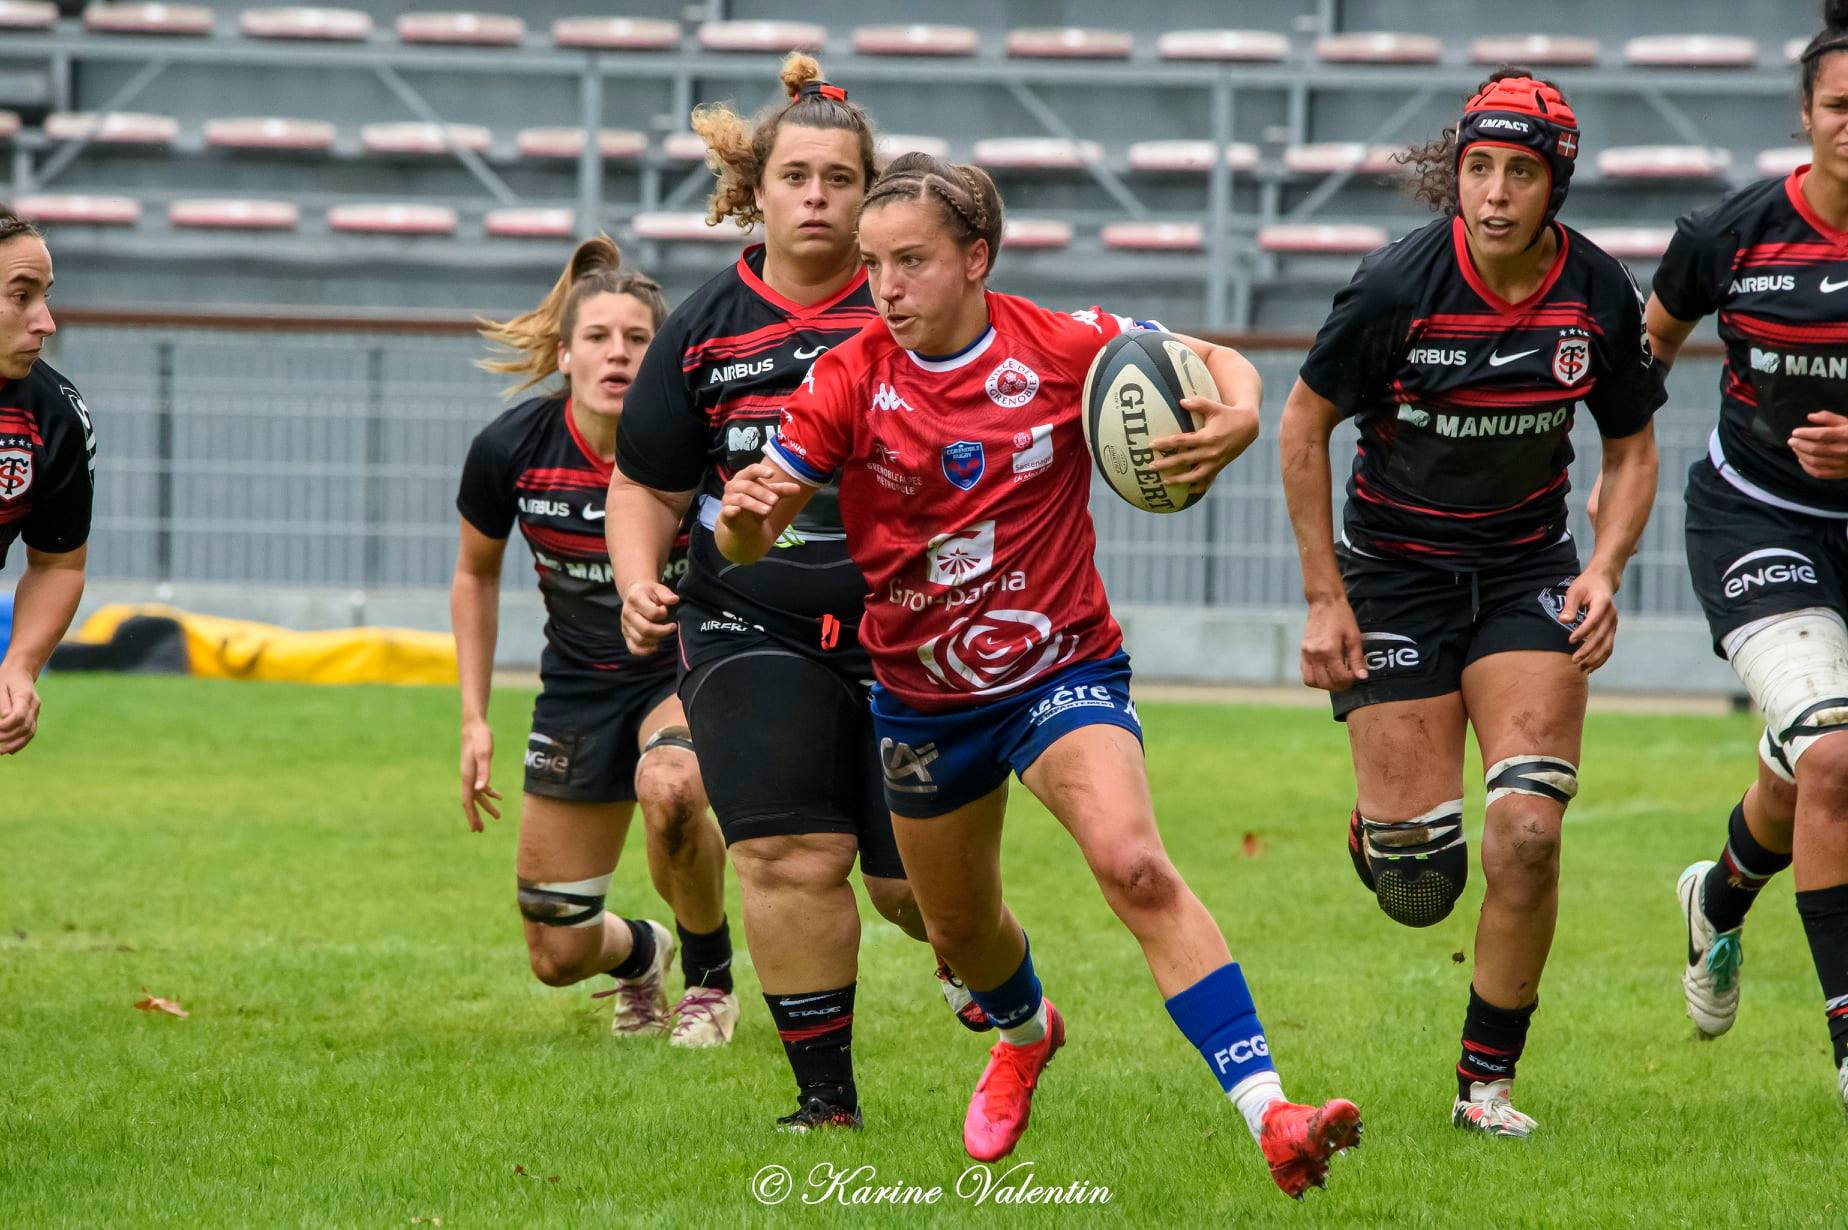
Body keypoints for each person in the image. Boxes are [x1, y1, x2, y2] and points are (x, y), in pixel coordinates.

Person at [716, 150, 1364, 1200]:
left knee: (1133, 863)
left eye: (912, 261)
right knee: (959, 927)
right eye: (875, 264)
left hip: (1061, 669)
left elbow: (1224, 365)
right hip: (922, 696)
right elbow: (756, 532)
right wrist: (745, 524)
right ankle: (1024, 1034)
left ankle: (1272, 1114)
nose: (886, 287)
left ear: (977, 258)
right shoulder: (847, 376)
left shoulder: (1064, 347)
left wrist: (1238, 412)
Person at [1278, 70, 1664, 1137]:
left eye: (1520, 173)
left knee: (1529, 834)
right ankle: (1383, 830)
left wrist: (1604, 571)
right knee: (1420, 888)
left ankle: (1483, 1088)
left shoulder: (1596, 293)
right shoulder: (1397, 285)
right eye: (1479, 169)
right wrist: (1326, 597)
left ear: (1557, 186)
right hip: (1393, 578)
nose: (1494, 193)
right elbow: (1301, 427)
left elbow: (1631, 448)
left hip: (1524, 572)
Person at [609, 55, 981, 1133]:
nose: (817, 196)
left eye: (840, 179)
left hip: (907, 630)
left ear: (872, 196)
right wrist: (640, 580)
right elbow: (645, 481)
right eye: (796, 176)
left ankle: (983, 965)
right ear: (756, 191)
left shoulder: (922, 309)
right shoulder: (703, 327)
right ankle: (826, 1105)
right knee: (782, 852)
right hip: (747, 620)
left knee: (913, 890)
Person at [452, 237, 735, 1047]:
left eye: (638, 339)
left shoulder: (703, 450)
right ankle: (644, 951)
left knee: (673, 788)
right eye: (601, 337)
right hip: (577, 689)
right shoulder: (510, 450)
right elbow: (474, 577)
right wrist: (474, 718)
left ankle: (710, 982)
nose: (618, 354)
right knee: (556, 950)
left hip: (684, 670)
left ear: (665, 356)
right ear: (566, 352)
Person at [1655, 0, 1848, 1114]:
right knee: (1832, 761)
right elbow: (1644, 354)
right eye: (1838, 106)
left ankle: (1718, 901)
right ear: (1805, 116)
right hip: (1756, 521)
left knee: (1812, 761)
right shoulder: (1729, 235)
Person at [0, 204, 94, 757]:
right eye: (21, 295)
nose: (46, 321)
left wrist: (20, 664)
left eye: (46, 296)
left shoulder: (53, 414)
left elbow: (59, 563)